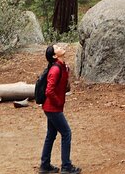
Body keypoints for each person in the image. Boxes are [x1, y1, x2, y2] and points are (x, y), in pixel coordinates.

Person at [39, 44, 81, 174]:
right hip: (52, 107)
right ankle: (66, 167)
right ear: (54, 55)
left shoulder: (62, 66)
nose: (60, 47)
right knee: (66, 133)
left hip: (52, 107)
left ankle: (45, 166)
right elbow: (49, 91)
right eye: (57, 47)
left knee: (51, 135)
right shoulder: (55, 70)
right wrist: (58, 103)